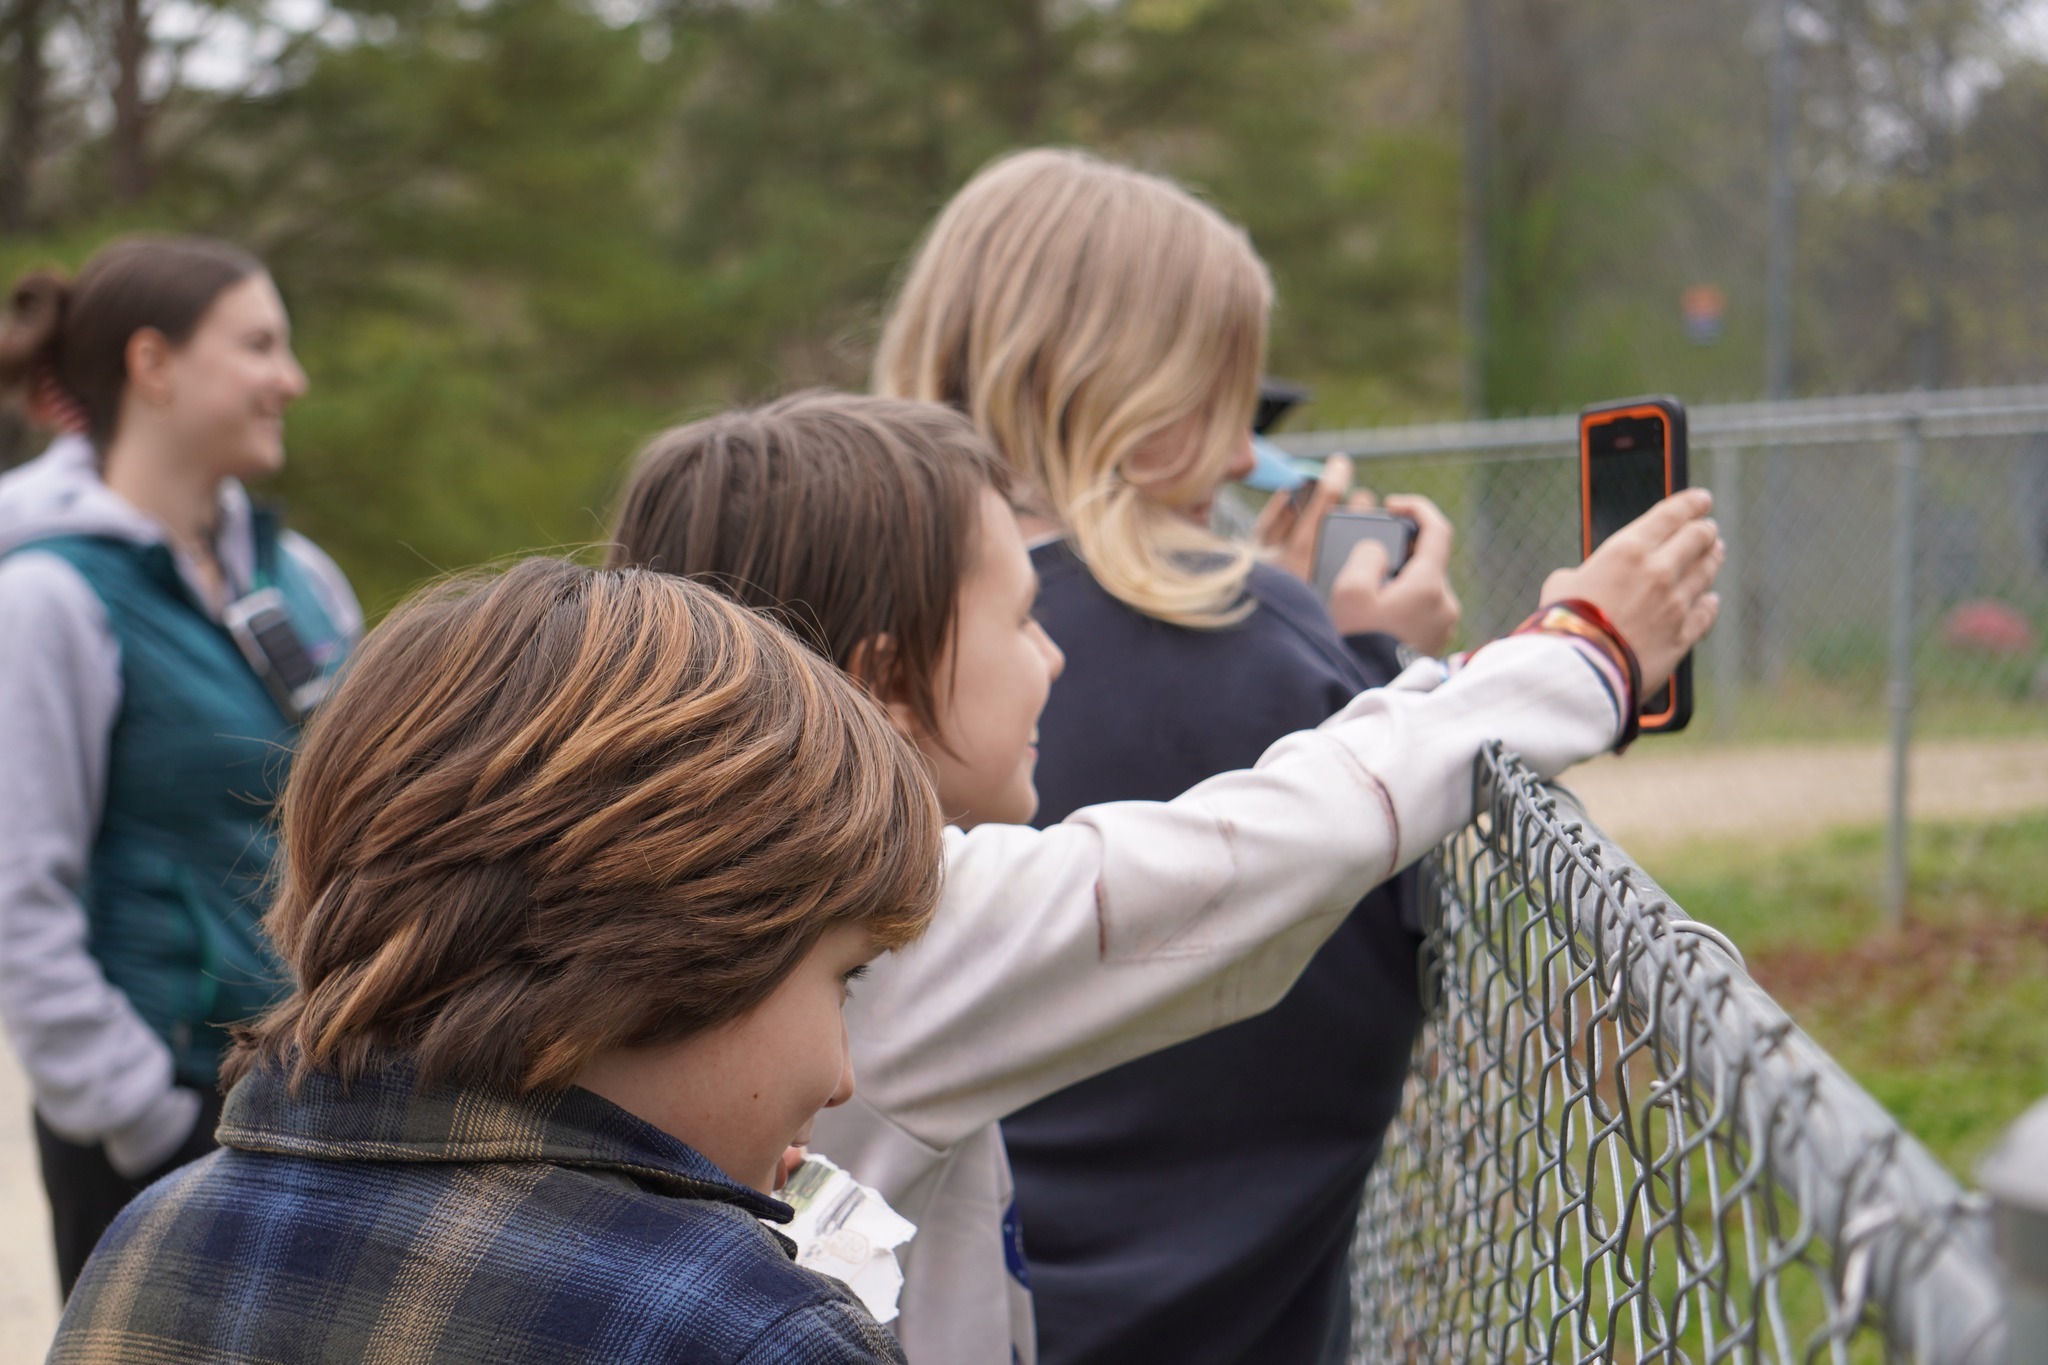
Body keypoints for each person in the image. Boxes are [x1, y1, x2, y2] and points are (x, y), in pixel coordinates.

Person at [606, 389, 1723, 1364]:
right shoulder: (880, 940)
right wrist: (1584, 651)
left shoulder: (649, 889)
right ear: (886, 681)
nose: (1053, 655)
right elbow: (1256, 853)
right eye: (1022, 617)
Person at [871, 145, 1477, 1365]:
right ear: (1146, 420)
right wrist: (1363, 675)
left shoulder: (845, 654)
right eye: (1227, 399)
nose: (1247, 461)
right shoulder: (1252, 639)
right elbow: (1365, 917)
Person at [49, 559, 931, 1363]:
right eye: (842, 978)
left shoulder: (144, 1243)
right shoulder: (754, 1332)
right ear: (673, 954)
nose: (841, 1075)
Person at [0, 236, 359, 1297]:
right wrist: (137, 1116)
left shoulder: (301, 577)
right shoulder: (47, 602)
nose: (289, 380)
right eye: (258, 345)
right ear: (152, 366)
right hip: (155, 1127)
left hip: (313, 1106)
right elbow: (19, 893)